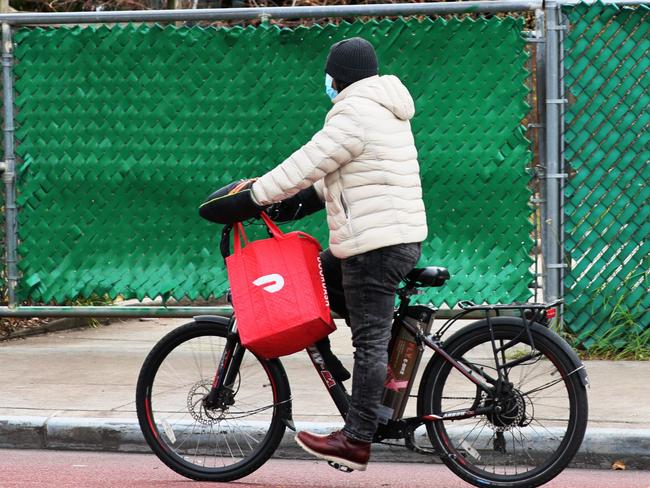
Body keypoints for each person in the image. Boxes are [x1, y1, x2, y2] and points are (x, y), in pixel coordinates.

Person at [249, 37, 428, 472]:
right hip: (393, 238)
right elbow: (340, 172)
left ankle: (356, 438)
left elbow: (307, 163)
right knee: (314, 278)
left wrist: (252, 195)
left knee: (369, 341)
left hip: (374, 247)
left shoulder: (353, 111)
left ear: (339, 76)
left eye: (329, 75)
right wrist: (294, 204)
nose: (326, 82)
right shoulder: (385, 107)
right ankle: (345, 375)